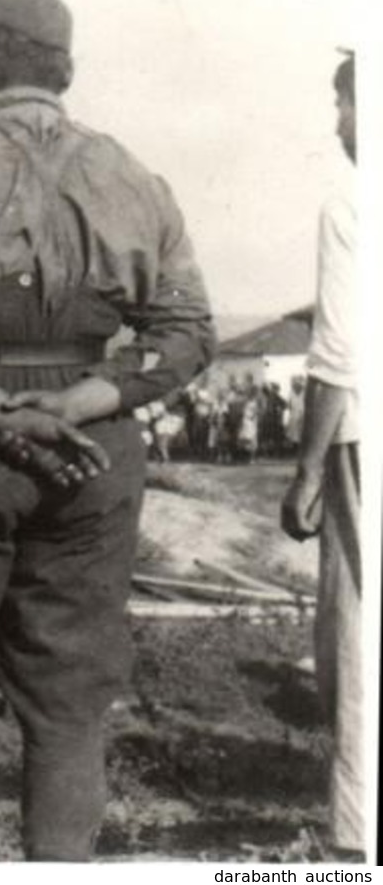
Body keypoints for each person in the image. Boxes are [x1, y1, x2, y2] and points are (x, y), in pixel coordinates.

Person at [0, 0, 215, 860]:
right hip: (92, 453)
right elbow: (186, 332)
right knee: (67, 704)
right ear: (64, 70)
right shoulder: (134, 174)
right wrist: (87, 399)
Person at [280, 52, 361, 860]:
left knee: (357, 626)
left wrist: (304, 470)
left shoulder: (349, 204)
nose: (336, 121)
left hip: (362, 435)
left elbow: (335, 351)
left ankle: (356, 835)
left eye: (342, 103)